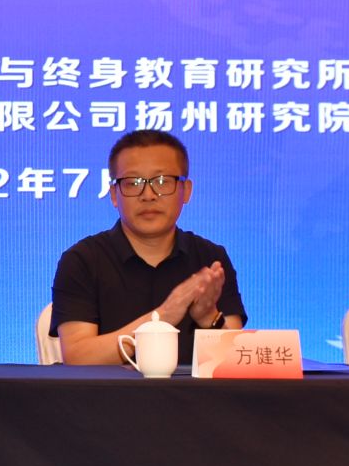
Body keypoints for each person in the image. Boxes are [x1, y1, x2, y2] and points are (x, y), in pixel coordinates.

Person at [51, 128, 245, 365]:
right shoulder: (82, 260)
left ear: (186, 191)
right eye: (133, 183)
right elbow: (77, 356)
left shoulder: (210, 258)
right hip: (108, 391)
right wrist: (162, 317)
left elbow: (234, 360)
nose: (148, 195)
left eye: (162, 181)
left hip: (192, 391)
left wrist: (209, 318)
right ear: (114, 194)